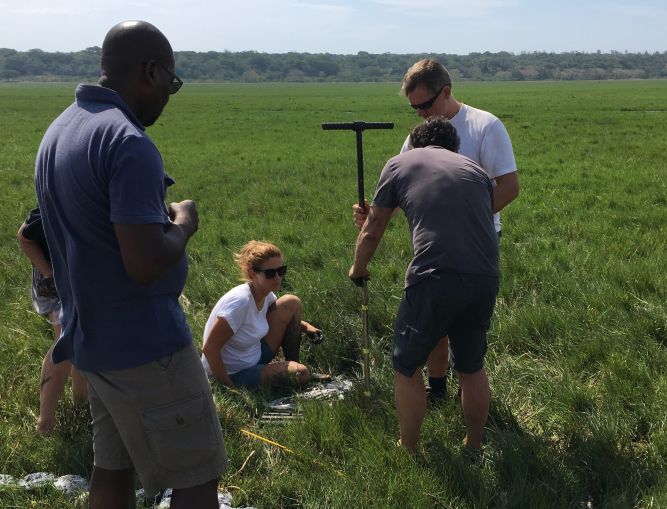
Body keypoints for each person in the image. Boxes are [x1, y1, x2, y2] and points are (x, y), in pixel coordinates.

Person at [34, 21, 226, 508]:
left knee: (111, 468)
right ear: (150, 71)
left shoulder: (61, 129)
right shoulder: (128, 143)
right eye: (172, 83)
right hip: (147, 346)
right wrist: (184, 223)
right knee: (197, 477)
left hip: (93, 339)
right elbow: (144, 264)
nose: (169, 95)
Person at [354, 58, 518, 401]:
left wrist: (464, 217)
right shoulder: (417, 137)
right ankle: (438, 387)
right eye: (413, 108)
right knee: (435, 321)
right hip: (431, 243)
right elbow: (404, 188)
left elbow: (510, 185)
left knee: (462, 327)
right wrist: (376, 214)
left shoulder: (485, 126)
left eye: (425, 105)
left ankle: (466, 385)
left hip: (479, 241)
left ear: (446, 92)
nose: (419, 114)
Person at [349, 117, 500, 453]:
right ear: (454, 147)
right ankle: (473, 443)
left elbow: (373, 227)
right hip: (485, 275)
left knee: (406, 365)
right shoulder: (475, 172)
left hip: (434, 275)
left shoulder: (399, 163)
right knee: (472, 366)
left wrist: (358, 267)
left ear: (416, 144)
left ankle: (410, 447)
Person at [202, 240, 326, 389]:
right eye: (270, 273)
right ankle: (297, 372)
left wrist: (307, 327)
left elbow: (282, 317)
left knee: (291, 303)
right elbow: (209, 349)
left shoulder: (265, 293)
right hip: (235, 373)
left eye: (281, 271)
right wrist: (231, 388)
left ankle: (294, 363)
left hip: (255, 354)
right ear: (253, 273)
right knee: (300, 373)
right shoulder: (239, 303)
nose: (277, 278)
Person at [17, 207, 88, 434]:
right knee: (66, 340)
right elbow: (24, 237)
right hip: (53, 279)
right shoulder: (55, 201)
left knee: (83, 336)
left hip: (78, 274)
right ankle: (45, 422)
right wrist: (49, 274)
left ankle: (81, 405)